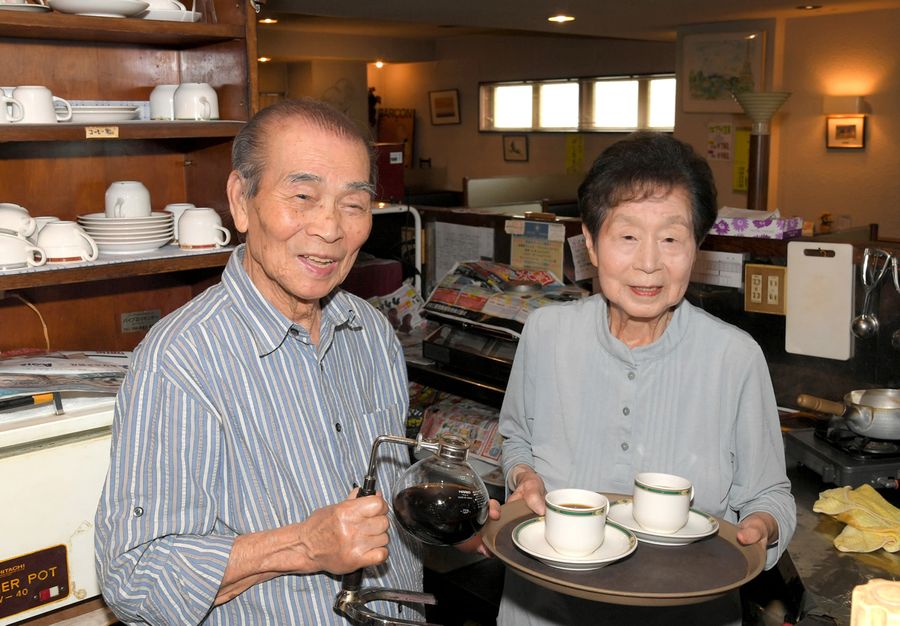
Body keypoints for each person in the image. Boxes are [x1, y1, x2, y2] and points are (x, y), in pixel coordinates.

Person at [95, 98, 427, 624]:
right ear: (241, 201)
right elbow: (133, 578)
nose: (330, 228)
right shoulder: (180, 359)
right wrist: (303, 545)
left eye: (353, 204)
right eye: (302, 196)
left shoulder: (371, 332)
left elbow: (385, 501)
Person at [498, 132, 796, 626]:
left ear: (696, 247)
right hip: (544, 609)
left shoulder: (735, 357)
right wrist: (522, 476)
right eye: (628, 236)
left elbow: (770, 495)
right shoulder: (546, 333)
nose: (650, 262)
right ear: (591, 243)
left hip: (688, 613)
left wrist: (761, 528)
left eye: (672, 239)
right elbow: (516, 439)